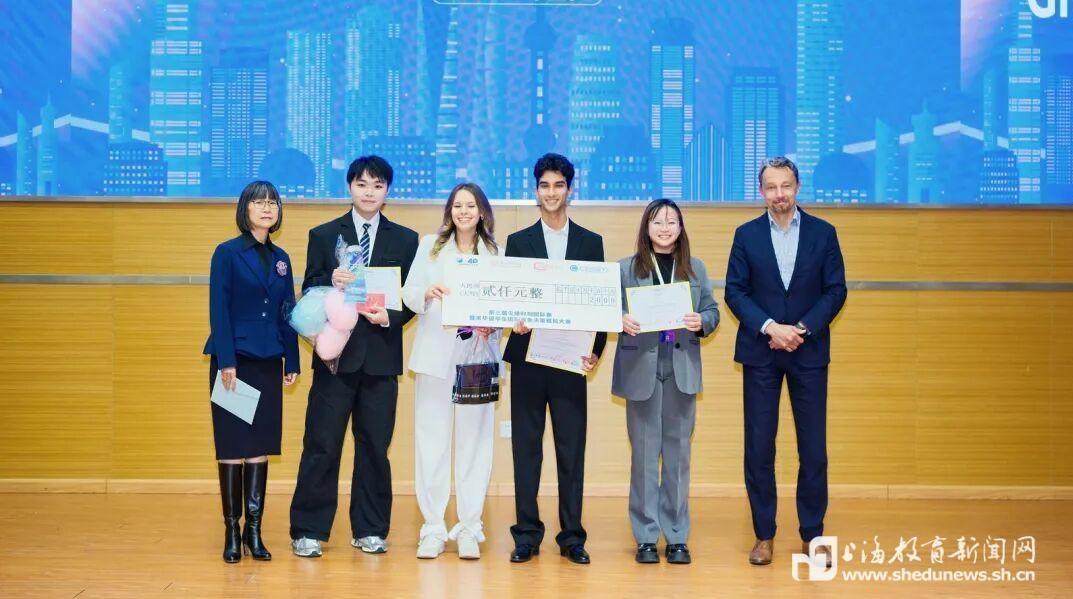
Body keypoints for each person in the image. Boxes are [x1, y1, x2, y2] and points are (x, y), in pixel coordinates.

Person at [289, 156, 419, 558]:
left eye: (377, 185)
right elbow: (309, 290)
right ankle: (308, 530)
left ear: (387, 190)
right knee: (322, 444)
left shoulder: (406, 239)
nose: (369, 192)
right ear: (349, 187)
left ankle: (370, 529)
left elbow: (411, 299)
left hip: (380, 358)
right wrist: (331, 281)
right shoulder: (324, 234)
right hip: (335, 359)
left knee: (375, 447)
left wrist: (389, 317)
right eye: (362, 184)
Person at [723, 157, 847, 567]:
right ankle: (764, 535)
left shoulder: (824, 233)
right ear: (761, 192)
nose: (779, 194)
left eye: (786, 186)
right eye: (771, 187)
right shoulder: (746, 235)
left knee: (813, 450)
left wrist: (802, 329)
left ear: (798, 187)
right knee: (759, 448)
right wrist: (771, 328)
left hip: (809, 352)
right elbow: (735, 292)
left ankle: (813, 535)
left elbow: (836, 290)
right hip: (761, 352)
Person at [504, 153, 606, 565]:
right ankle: (526, 535)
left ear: (569, 189)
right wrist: (513, 320)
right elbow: (509, 297)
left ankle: (572, 537)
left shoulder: (590, 242)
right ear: (536, 191)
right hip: (529, 359)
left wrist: (596, 350)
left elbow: (600, 302)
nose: (551, 192)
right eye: (544, 185)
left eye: (558, 185)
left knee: (571, 450)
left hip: (570, 361)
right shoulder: (518, 242)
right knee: (526, 451)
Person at [613, 199, 719, 565]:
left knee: (677, 456)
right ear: (646, 227)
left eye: (672, 222)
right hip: (641, 368)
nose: (664, 228)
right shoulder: (626, 268)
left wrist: (702, 322)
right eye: (657, 222)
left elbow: (712, 310)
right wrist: (620, 318)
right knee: (644, 456)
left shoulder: (695, 267)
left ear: (680, 228)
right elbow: (609, 308)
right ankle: (646, 536)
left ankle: (676, 536)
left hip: (681, 368)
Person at [401, 182, 500, 560]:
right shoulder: (430, 246)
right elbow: (408, 293)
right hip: (435, 357)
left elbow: (505, 305)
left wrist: (493, 323)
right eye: (457, 205)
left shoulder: (495, 252)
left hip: (477, 356)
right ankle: (433, 527)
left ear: (482, 212)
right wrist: (427, 292)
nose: (463, 212)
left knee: (475, 442)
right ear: (449, 211)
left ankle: (470, 527)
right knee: (432, 440)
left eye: (470, 205)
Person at [203, 180, 300, 563]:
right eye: (259, 202)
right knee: (232, 446)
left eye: (272, 202)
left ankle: (253, 532)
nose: (267, 208)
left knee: (259, 445)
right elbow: (218, 309)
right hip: (235, 361)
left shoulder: (281, 258)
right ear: (245, 209)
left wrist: (292, 359)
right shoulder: (227, 253)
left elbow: (287, 311)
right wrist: (226, 359)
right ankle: (231, 530)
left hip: (268, 359)